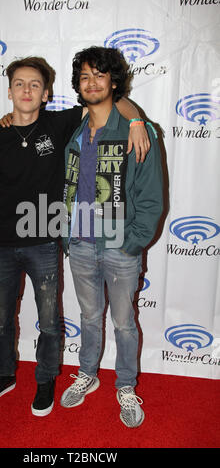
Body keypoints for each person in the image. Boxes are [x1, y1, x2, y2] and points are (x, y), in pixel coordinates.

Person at [0, 56, 150, 417]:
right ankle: (3, 374)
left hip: (45, 241)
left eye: (35, 84)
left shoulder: (59, 123)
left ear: (46, 93)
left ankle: (47, 378)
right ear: (9, 91)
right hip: (2, 246)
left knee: (51, 321)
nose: (26, 90)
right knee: (2, 318)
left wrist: (135, 119)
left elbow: (106, 99)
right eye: (19, 83)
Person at [60, 46, 163, 428]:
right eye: (85, 76)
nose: (91, 82)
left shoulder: (138, 131)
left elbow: (152, 196)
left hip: (121, 247)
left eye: (99, 75)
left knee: (123, 323)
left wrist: (133, 242)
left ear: (114, 82)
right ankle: (87, 374)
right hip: (81, 245)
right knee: (89, 317)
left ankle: (125, 385)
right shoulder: (73, 127)